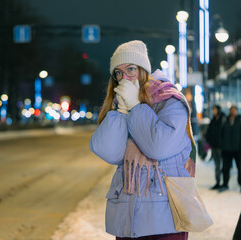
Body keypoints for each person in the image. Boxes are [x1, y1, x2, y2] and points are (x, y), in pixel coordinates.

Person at [90, 40, 196, 240]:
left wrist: (136, 107)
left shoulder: (170, 101)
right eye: (118, 73)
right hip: (128, 218)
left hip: (165, 218)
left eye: (130, 69)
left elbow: (158, 146)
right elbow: (108, 151)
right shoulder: (121, 106)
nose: (124, 77)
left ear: (143, 71)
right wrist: (121, 111)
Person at [219, 106, 241, 192]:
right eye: (231, 110)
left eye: (234, 111)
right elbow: (221, 134)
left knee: (240, 168)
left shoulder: (239, 121)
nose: (232, 112)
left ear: (237, 112)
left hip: (238, 149)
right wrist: (222, 144)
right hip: (226, 149)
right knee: (225, 168)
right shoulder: (225, 121)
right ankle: (225, 184)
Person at [205, 105, 225, 189]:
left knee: (222, 164)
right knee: (217, 165)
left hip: (221, 146)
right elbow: (209, 132)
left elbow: (224, 133)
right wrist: (209, 141)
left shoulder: (223, 120)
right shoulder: (213, 120)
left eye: (215, 110)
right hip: (214, 146)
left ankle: (224, 182)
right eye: (213, 110)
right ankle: (218, 182)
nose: (213, 111)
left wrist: (222, 143)